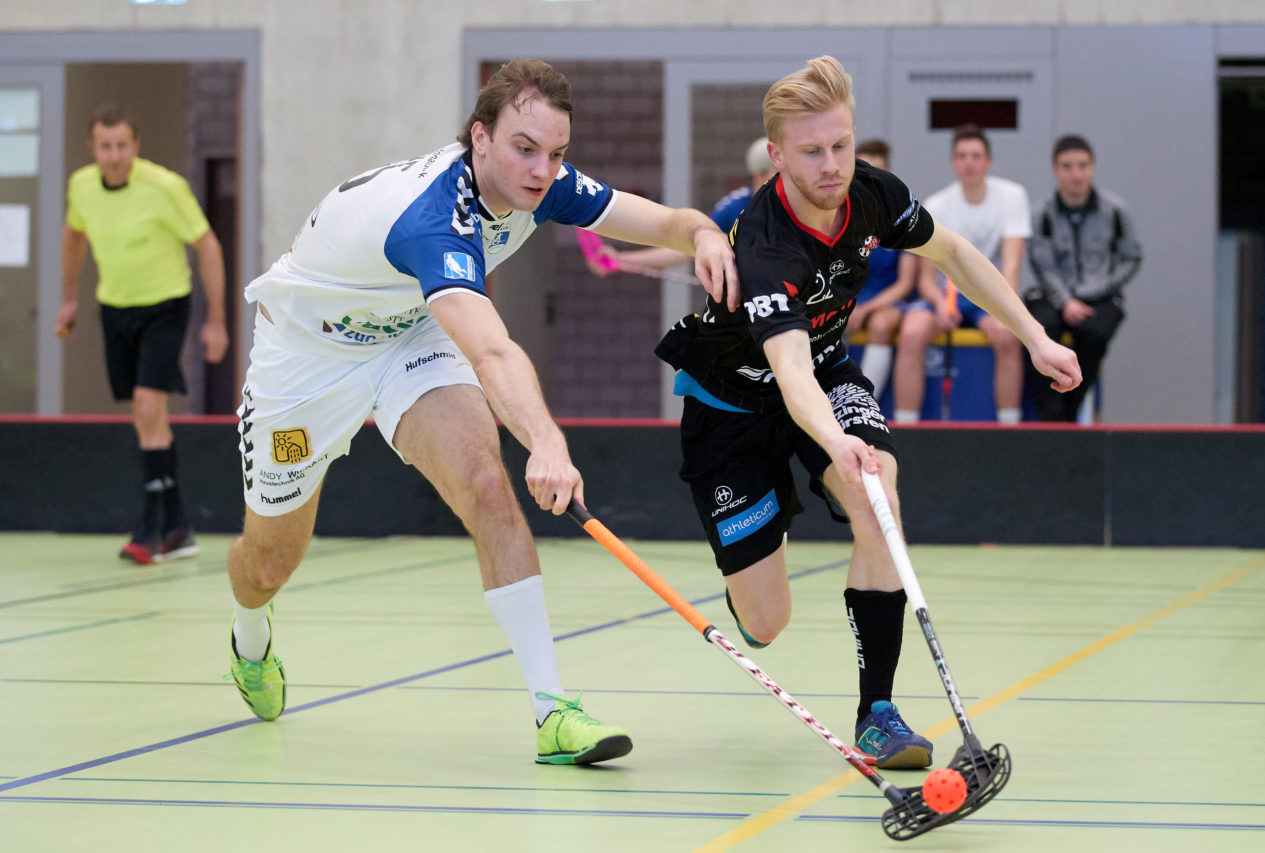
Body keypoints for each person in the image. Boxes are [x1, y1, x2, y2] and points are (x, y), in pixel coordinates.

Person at [226, 58, 738, 766]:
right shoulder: (433, 220)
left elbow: (666, 221)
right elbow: (494, 353)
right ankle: (248, 637)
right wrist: (548, 442)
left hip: (409, 331)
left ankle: (552, 711)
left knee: (489, 485)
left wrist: (706, 235)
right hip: (307, 360)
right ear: (481, 139)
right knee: (268, 561)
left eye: (555, 153)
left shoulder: (546, 185)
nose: (541, 169)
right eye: (524, 148)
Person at [655, 57, 1079, 769]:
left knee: (877, 488)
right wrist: (831, 439)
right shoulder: (764, 246)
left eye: (841, 145)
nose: (832, 165)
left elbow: (954, 254)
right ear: (778, 155)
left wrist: (1034, 336)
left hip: (826, 366)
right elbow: (787, 372)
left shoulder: (873, 194)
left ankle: (876, 712)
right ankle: (755, 580)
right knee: (766, 621)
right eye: (813, 151)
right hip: (732, 406)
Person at [56, 103, 229, 565]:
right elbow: (74, 237)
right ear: (92, 148)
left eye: (121, 146)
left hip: (165, 305)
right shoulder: (82, 186)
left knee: (149, 405)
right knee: (145, 416)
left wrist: (217, 320)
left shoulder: (165, 187)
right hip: (114, 307)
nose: (113, 156)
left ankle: (150, 528)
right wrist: (70, 297)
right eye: (104, 147)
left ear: (136, 146)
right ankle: (178, 527)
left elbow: (208, 245)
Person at [893, 124, 1031, 423]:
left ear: (988, 162)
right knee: (911, 333)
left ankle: (1011, 430)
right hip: (947, 296)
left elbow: (1011, 266)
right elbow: (927, 279)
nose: (969, 162)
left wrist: (1003, 310)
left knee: (1007, 336)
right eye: (962, 155)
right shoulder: (937, 205)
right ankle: (904, 429)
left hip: (988, 295)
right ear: (954, 162)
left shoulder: (1012, 197)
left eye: (976, 155)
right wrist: (941, 304)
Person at [1025, 134, 1141, 421]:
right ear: (1056, 169)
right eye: (1067, 166)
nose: (1075, 174)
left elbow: (1131, 258)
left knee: (1096, 332)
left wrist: (1097, 290)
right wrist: (1066, 302)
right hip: (1054, 295)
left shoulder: (1115, 210)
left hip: (1100, 295)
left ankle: (1069, 411)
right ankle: (1048, 414)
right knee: (1038, 330)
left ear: (1092, 167)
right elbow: (1042, 264)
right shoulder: (1042, 213)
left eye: (1082, 165)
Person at [583, 136, 776, 274]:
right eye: (777, 171)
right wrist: (620, 259)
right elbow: (686, 247)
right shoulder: (735, 208)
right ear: (759, 176)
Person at [845, 139, 920, 400]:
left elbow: (906, 284)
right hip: (851, 298)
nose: (870, 179)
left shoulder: (902, 217)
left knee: (880, 324)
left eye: (877, 172)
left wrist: (865, 308)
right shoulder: (841, 217)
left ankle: (864, 401)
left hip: (891, 301)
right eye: (863, 171)